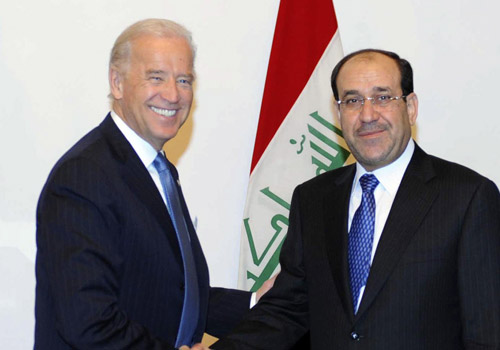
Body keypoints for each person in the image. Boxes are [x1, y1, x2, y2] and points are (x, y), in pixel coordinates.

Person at [191, 49, 500, 349]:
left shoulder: (468, 197)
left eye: (382, 97)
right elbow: (287, 309)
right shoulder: (312, 199)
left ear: (410, 107)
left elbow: (487, 331)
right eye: (352, 100)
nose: (367, 115)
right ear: (338, 114)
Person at [35, 18, 273, 350]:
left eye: (184, 80)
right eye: (156, 77)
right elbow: (88, 322)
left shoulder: (158, 169)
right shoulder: (83, 176)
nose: (173, 94)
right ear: (117, 83)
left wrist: (256, 303)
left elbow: (167, 290)